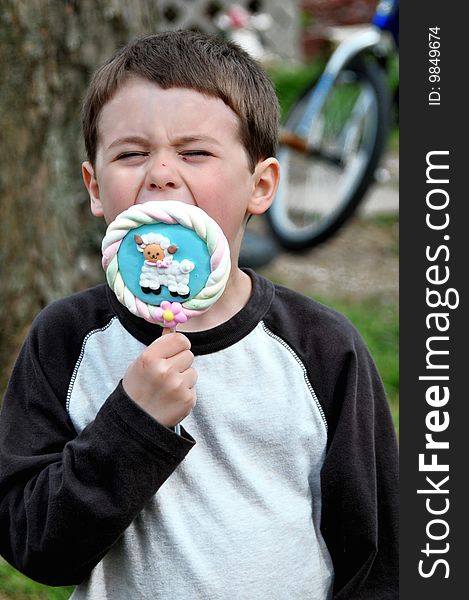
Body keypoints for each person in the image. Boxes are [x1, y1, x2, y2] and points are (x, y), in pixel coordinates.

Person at [0, 30, 398, 599]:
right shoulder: (66, 341)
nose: (161, 173)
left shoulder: (322, 349)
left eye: (195, 152)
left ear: (260, 186)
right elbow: (35, 545)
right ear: (94, 187)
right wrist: (131, 425)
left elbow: (378, 555)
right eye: (132, 153)